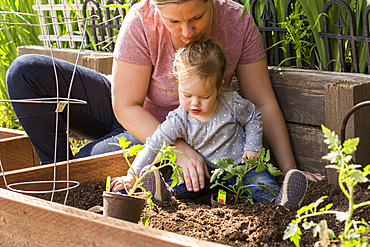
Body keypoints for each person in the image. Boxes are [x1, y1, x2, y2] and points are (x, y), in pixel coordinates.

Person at [6, 0, 323, 189]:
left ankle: (78, 173)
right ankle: (59, 177)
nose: (187, 31)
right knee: (25, 73)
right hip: (137, 115)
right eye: (174, 21)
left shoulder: (237, 21)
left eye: (197, 17)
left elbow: (262, 102)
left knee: (92, 171)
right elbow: (126, 104)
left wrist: (289, 168)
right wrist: (178, 149)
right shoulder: (141, 20)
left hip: (173, 130)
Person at [111, 37, 307, 208]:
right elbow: (154, 144)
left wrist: (252, 147)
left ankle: (281, 201)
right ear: (179, 84)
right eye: (187, 95)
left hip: (240, 169)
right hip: (205, 174)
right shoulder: (179, 119)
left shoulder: (232, 104)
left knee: (260, 181)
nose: (194, 103)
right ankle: (165, 195)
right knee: (185, 185)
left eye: (204, 97)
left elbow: (254, 117)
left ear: (219, 85)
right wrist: (132, 175)